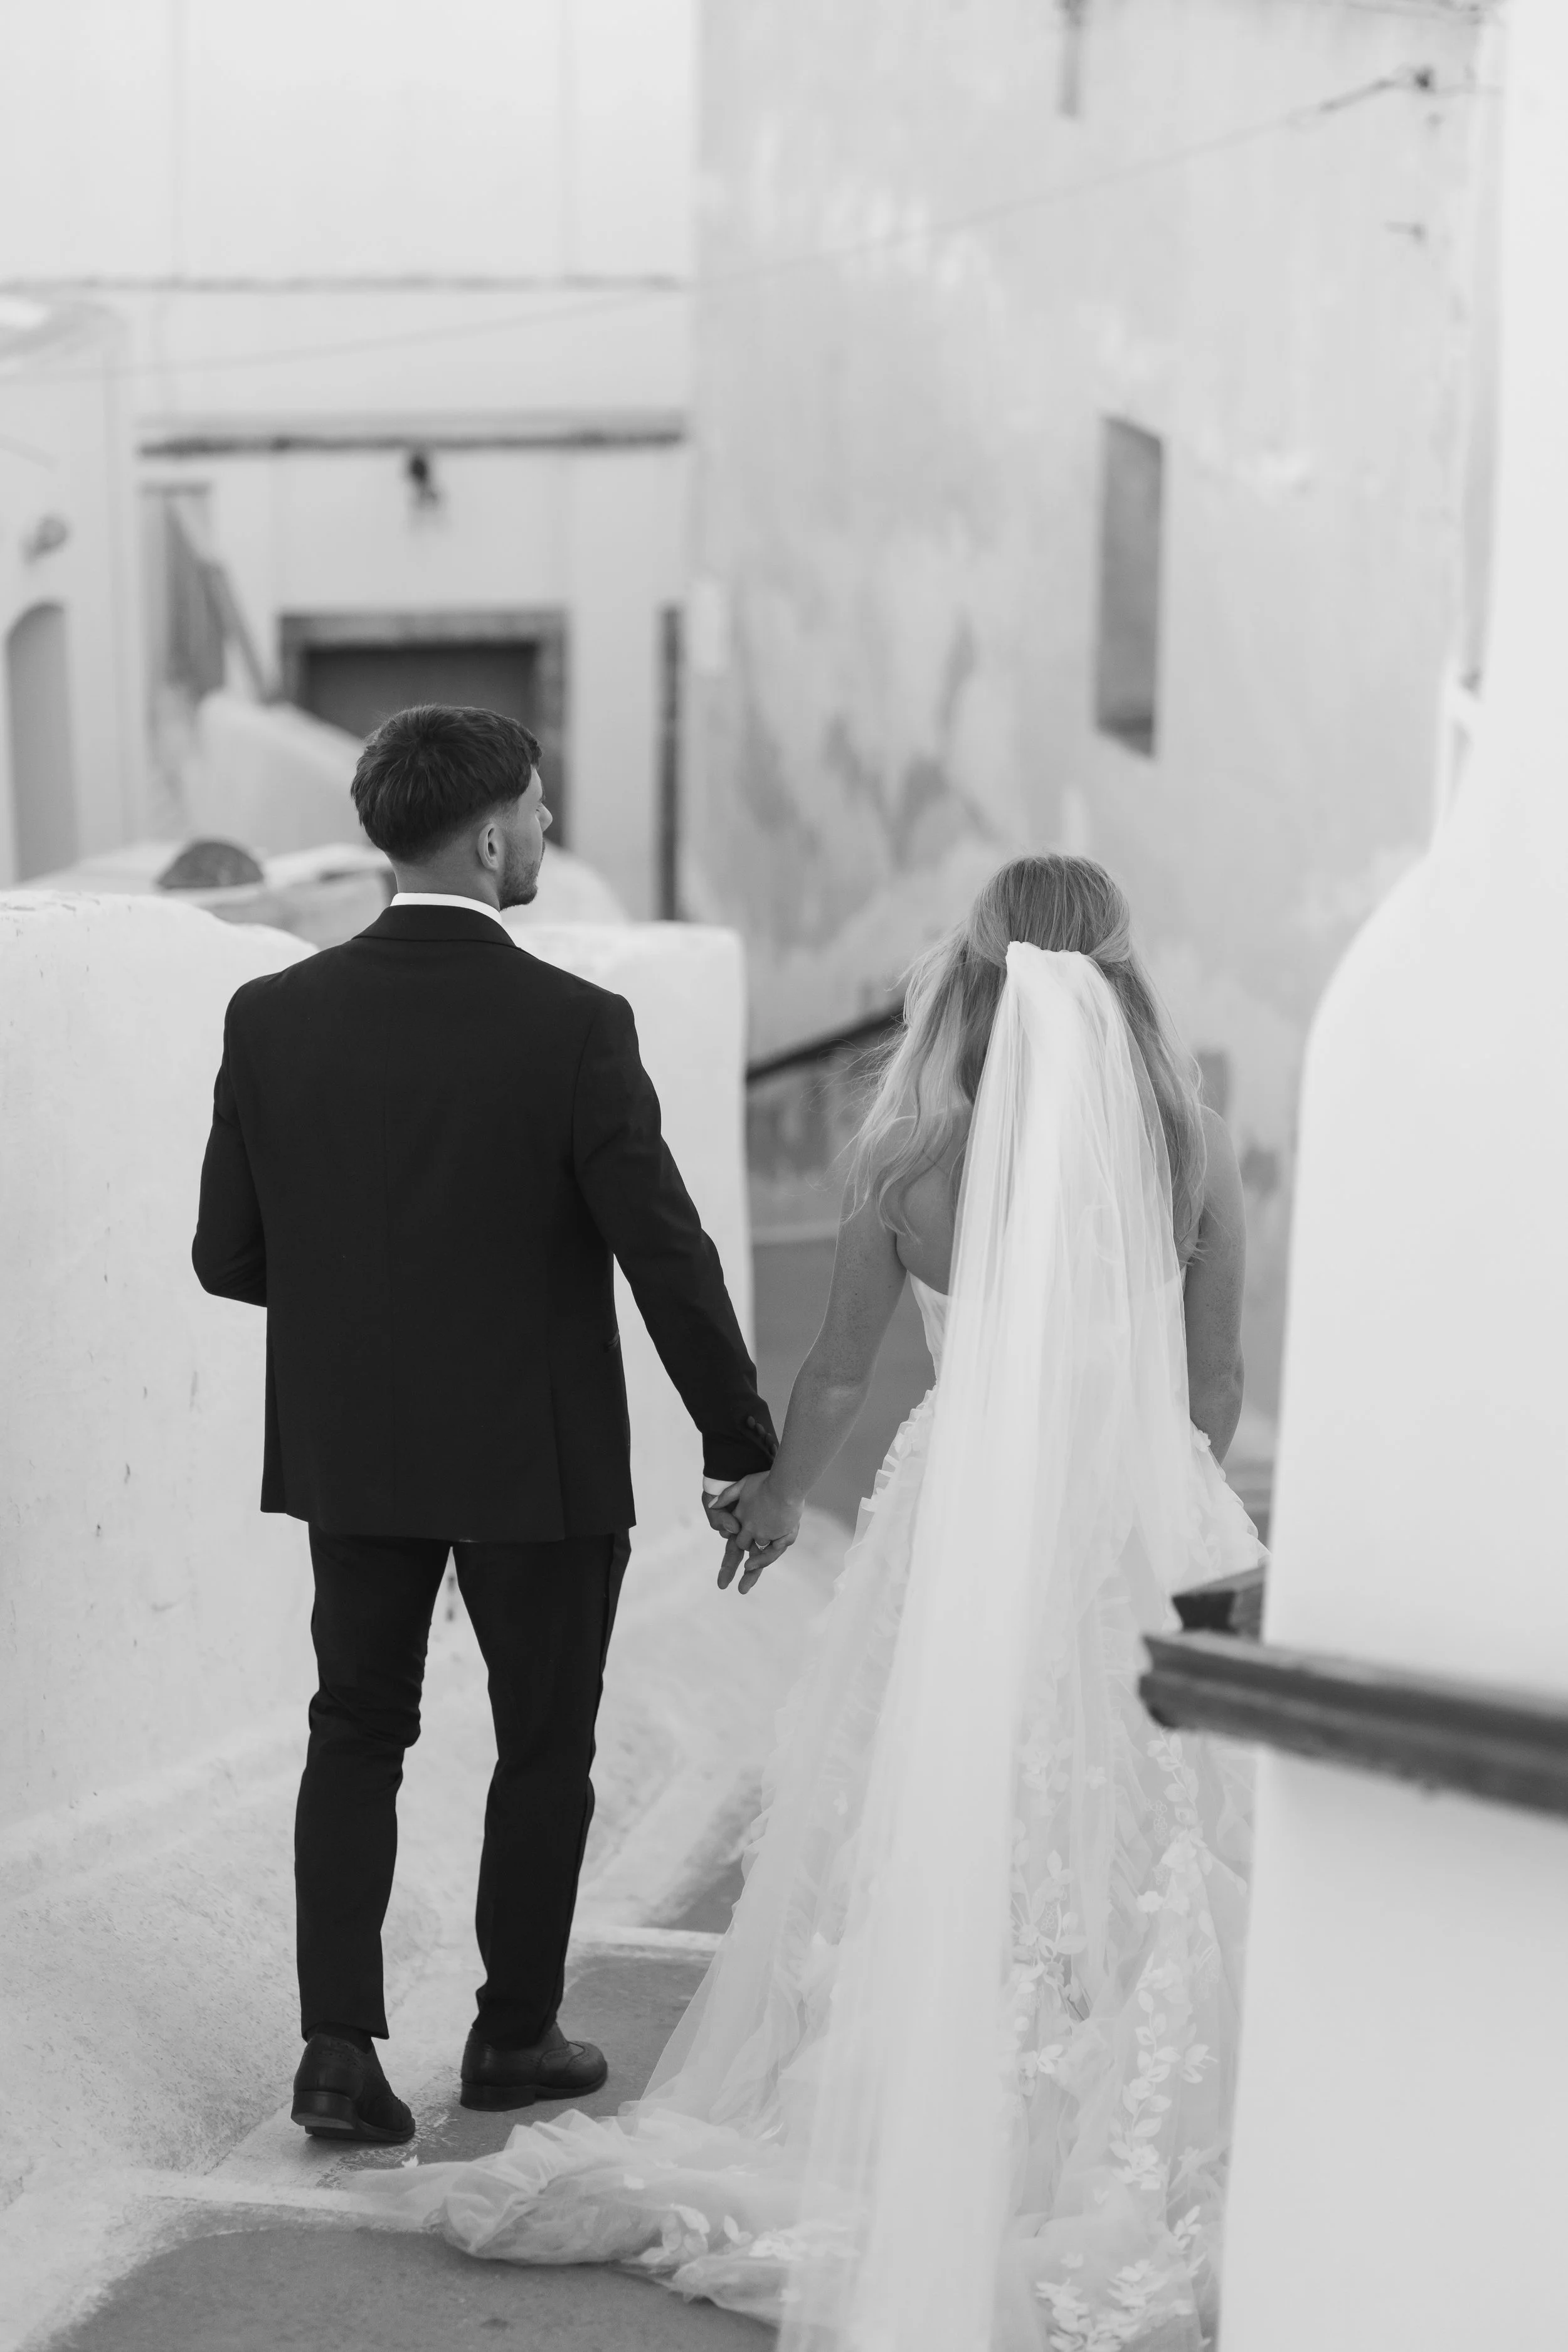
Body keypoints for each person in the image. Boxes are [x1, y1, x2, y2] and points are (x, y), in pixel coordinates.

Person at [354, 852, 1261, 2350]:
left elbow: (841, 1368)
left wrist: (772, 1498)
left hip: (956, 1515)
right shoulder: (1194, 1143)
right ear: (1113, 977)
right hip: (1135, 1519)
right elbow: (1215, 1378)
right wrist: (1168, 1494)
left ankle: (935, 2082)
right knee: (1143, 1810)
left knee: (943, 1796)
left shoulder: (910, 1152)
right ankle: (1105, 2076)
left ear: (971, 977)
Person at [191, 704, 775, 2147]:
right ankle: (512, 2036)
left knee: (353, 1732)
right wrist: (738, 1439)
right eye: (538, 809)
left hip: (355, 1444)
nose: (548, 833)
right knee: (543, 1746)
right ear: (493, 832)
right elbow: (665, 1252)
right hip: (541, 1451)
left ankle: (337, 2052)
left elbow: (227, 1256)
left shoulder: (271, 1016)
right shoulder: (576, 1027)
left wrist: (366, 1303)